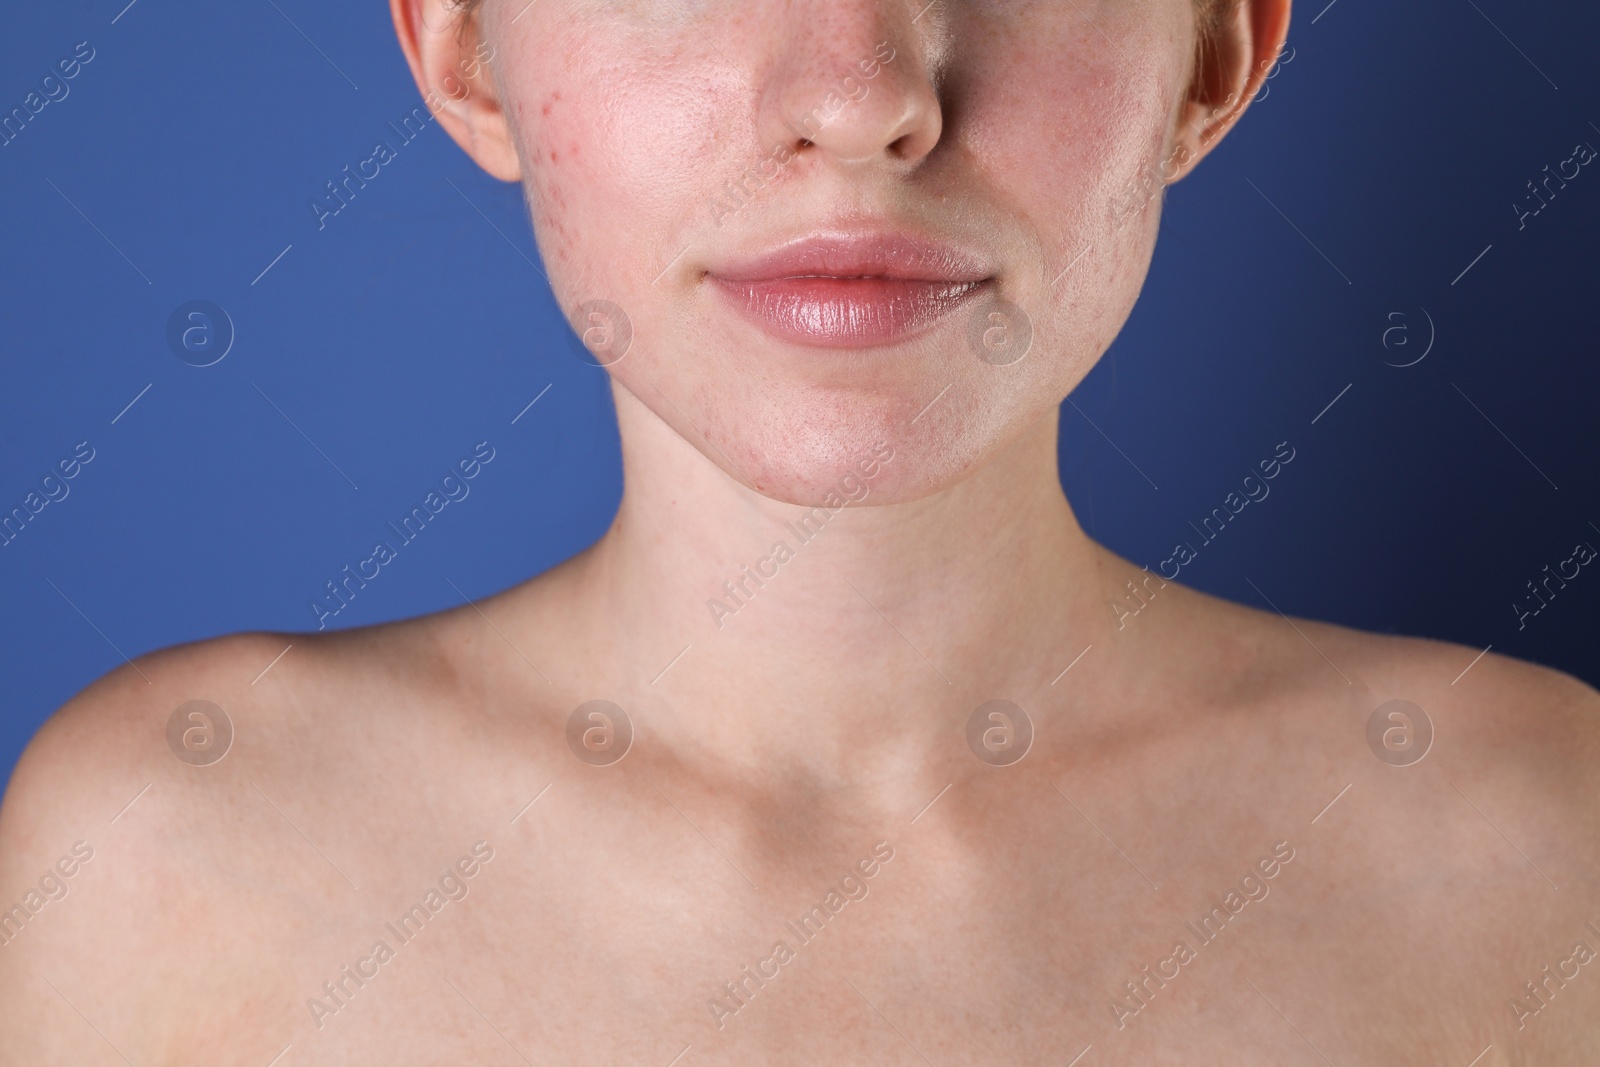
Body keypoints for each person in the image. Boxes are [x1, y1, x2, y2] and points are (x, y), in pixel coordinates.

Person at [3, 0, 1598, 1062]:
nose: (861, 100)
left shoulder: (1543, 860)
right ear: (468, 53)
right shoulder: (159, 864)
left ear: (1214, 58)